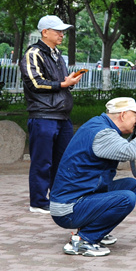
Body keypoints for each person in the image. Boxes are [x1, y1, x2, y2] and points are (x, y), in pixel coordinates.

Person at [49, 97, 136, 257]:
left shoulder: (99, 125)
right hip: (68, 209)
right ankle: (84, 240)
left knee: (130, 185)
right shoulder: (102, 134)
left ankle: (96, 228)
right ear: (123, 115)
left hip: (78, 197)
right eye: (135, 116)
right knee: (126, 198)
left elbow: (120, 151)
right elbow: (130, 152)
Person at [21, 15, 85, 214]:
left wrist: (69, 81)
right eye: (57, 30)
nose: (61, 34)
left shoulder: (57, 55)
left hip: (62, 116)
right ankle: (38, 202)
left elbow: (59, 83)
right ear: (44, 32)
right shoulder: (33, 53)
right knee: (42, 161)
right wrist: (63, 84)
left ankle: (58, 199)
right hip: (43, 115)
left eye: (63, 31)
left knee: (63, 160)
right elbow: (35, 82)